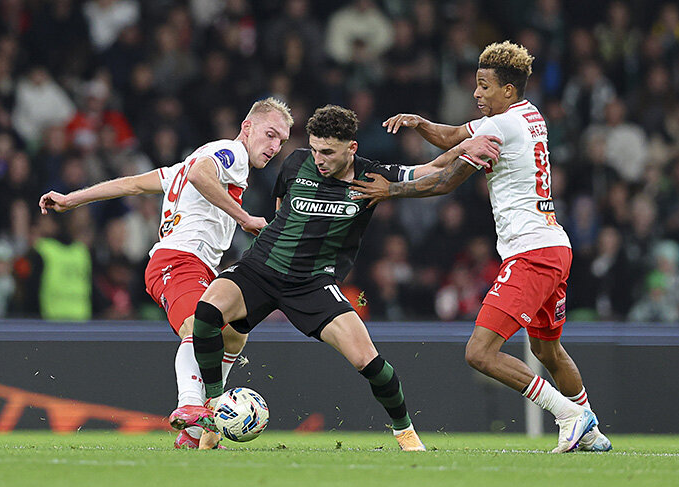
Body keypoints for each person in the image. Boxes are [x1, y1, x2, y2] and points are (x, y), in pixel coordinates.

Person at [181, 104, 500, 451]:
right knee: (207, 312)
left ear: (351, 148)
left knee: (370, 362)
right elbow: (280, 210)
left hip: (313, 284)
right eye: (315, 149)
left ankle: (406, 433)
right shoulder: (295, 162)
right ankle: (214, 408)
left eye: (328, 152)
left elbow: (430, 169)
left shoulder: (371, 176)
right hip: (262, 268)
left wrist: (463, 148)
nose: (319, 159)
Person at [350, 41, 612, 453]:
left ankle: (570, 415)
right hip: (554, 247)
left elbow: (446, 181)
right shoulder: (529, 115)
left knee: (480, 352)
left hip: (530, 254)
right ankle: (590, 430)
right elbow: (454, 135)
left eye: (484, 86)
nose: (476, 93)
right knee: (547, 349)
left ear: (507, 90)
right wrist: (420, 123)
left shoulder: (500, 128)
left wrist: (391, 191)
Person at [39, 97, 293, 449]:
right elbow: (201, 174)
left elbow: (131, 184)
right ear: (247, 127)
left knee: (236, 332)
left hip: (196, 265)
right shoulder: (230, 153)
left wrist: (71, 199)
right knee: (197, 327)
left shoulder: (190, 163)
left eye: (281, 140)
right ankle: (189, 404)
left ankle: (198, 430)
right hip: (178, 260)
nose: (275, 147)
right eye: (270, 134)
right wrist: (244, 217)